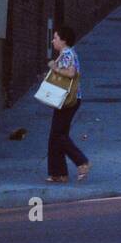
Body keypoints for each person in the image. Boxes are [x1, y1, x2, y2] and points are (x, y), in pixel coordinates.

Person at [46, 24, 90, 184]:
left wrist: (54, 68)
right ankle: (58, 173)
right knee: (55, 136)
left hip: (67, 100)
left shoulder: (67, 54)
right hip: (66, 99)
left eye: (56, 37)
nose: (53, 41)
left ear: (63, 40)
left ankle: (81, 162)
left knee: (58, 135)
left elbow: (70, 73)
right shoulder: (66, 53)